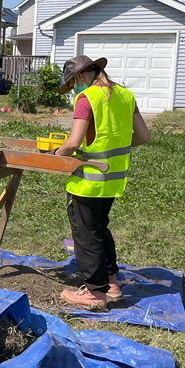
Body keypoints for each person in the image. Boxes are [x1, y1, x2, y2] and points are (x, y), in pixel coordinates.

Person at [54, 54, 149, 309]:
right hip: (113, 179)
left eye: (74, 83)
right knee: (99, 229)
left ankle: (94, 294)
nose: (74, 89)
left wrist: (56, 155)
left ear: (80, 76)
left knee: (86, 235)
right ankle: (112, 284)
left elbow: (74, 142)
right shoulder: (125, 96)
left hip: (87, 180)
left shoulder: (86, 98)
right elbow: (142, 136)